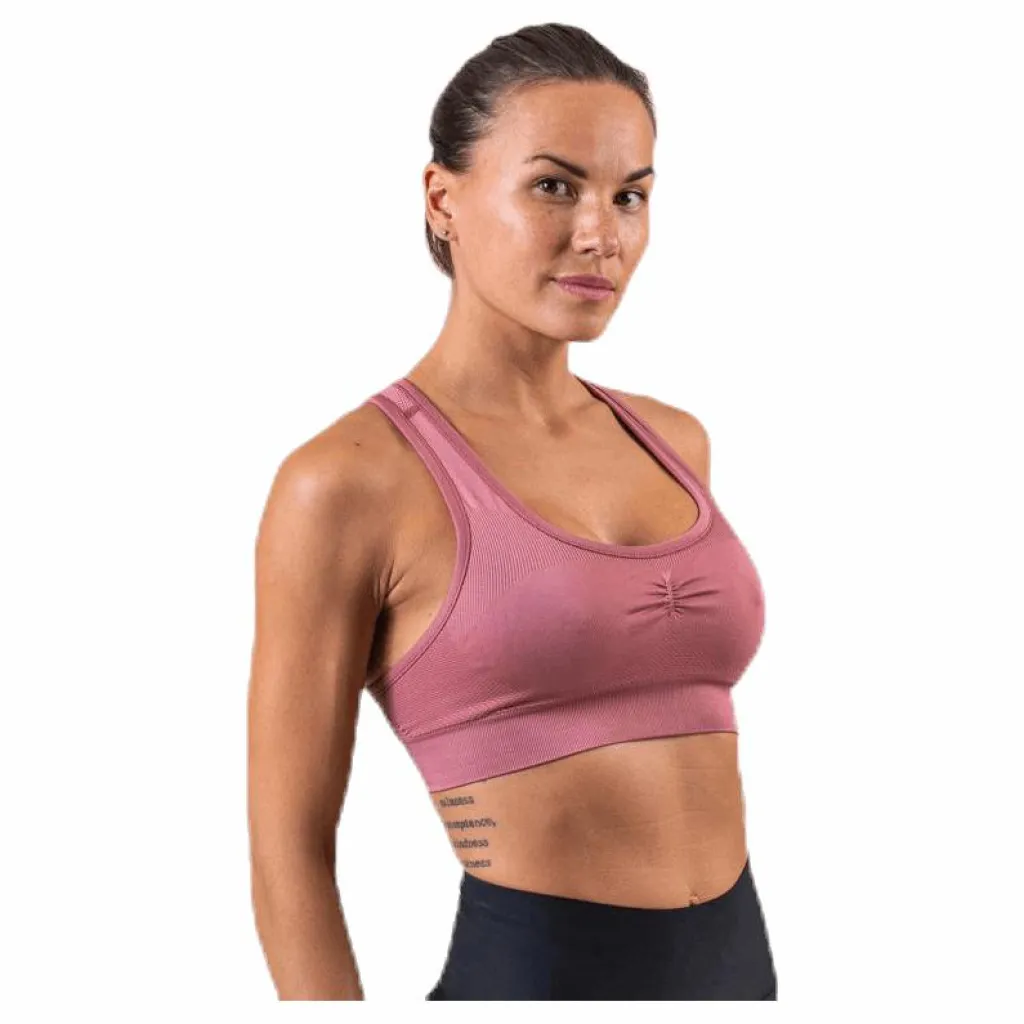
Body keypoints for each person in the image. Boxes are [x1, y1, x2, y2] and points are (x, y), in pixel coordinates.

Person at [247, 21, 777, 1001]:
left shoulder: (674, 442)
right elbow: (289, 854)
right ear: (442, 200)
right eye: (554, 187)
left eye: (630, 196)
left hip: (740, 976)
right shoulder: (348, 483)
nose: (601, 234)